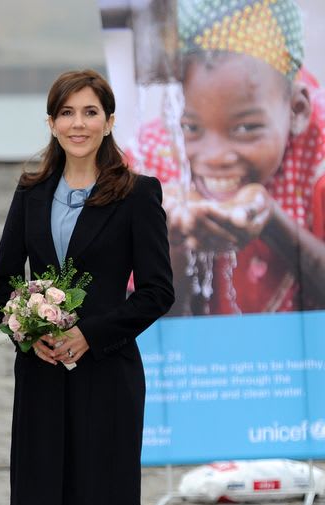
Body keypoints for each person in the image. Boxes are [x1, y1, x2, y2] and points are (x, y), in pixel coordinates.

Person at [0, 69, 174, 505]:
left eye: (90, 111)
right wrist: (29, 330)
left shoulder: (136, 193)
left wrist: (86, 335)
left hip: (105, 382)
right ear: (51, 122)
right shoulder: (33, 190)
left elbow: (157, 291)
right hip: (42, 382)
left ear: (108, 118)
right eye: (66, 112)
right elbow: (4, 278)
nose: (78, 123)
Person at [131, 0, 325, 314]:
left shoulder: (320, 151)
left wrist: (273, 223)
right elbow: (147, 328)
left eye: (246, 127)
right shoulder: (156, 158)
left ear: (296, 110)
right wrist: (171, 241)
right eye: (191, 127)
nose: (215, 157)